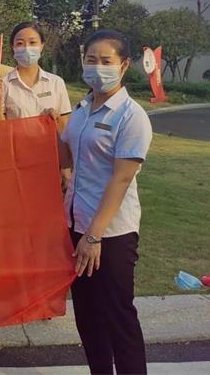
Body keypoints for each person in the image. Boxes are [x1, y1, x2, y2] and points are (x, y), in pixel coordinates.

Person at [58, 29, 152, 375]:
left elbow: (121, 179)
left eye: (106, 61)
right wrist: (49, 128)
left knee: (118, 316)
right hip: (76, 225)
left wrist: (94, 236)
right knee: (88, 315)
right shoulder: (81, 109)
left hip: (110, 234)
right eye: (91, 60)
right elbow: (66, 158)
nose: (98, 67)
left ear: (124, 65)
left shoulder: (131, 116)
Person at [0, 21, 72, 131]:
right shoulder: (2, 84)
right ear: (13, 47)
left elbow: (65, 128)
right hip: (17, 142)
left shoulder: (56, 83)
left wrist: (55, 118)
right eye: (20, 43)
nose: (26, 48)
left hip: (48, 142)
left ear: (42, 46)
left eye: (32, 42)